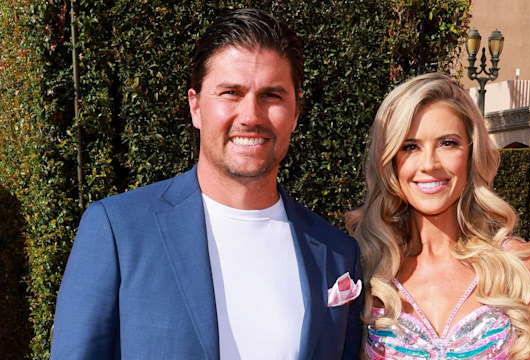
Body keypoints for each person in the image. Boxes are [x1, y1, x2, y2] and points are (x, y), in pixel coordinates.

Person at [51, 8, 363, 360]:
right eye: (231, 92)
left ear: (295, 112)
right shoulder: (119, 230)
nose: (250, 116)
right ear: (196, 106)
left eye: (272, 96)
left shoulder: (338, 254)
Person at [346, 73, 530, 359]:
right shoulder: (362, 267)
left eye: (448, 143)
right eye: (410, 146)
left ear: (471, 152)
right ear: (390, 160)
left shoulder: (516, 266)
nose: (429, 164)